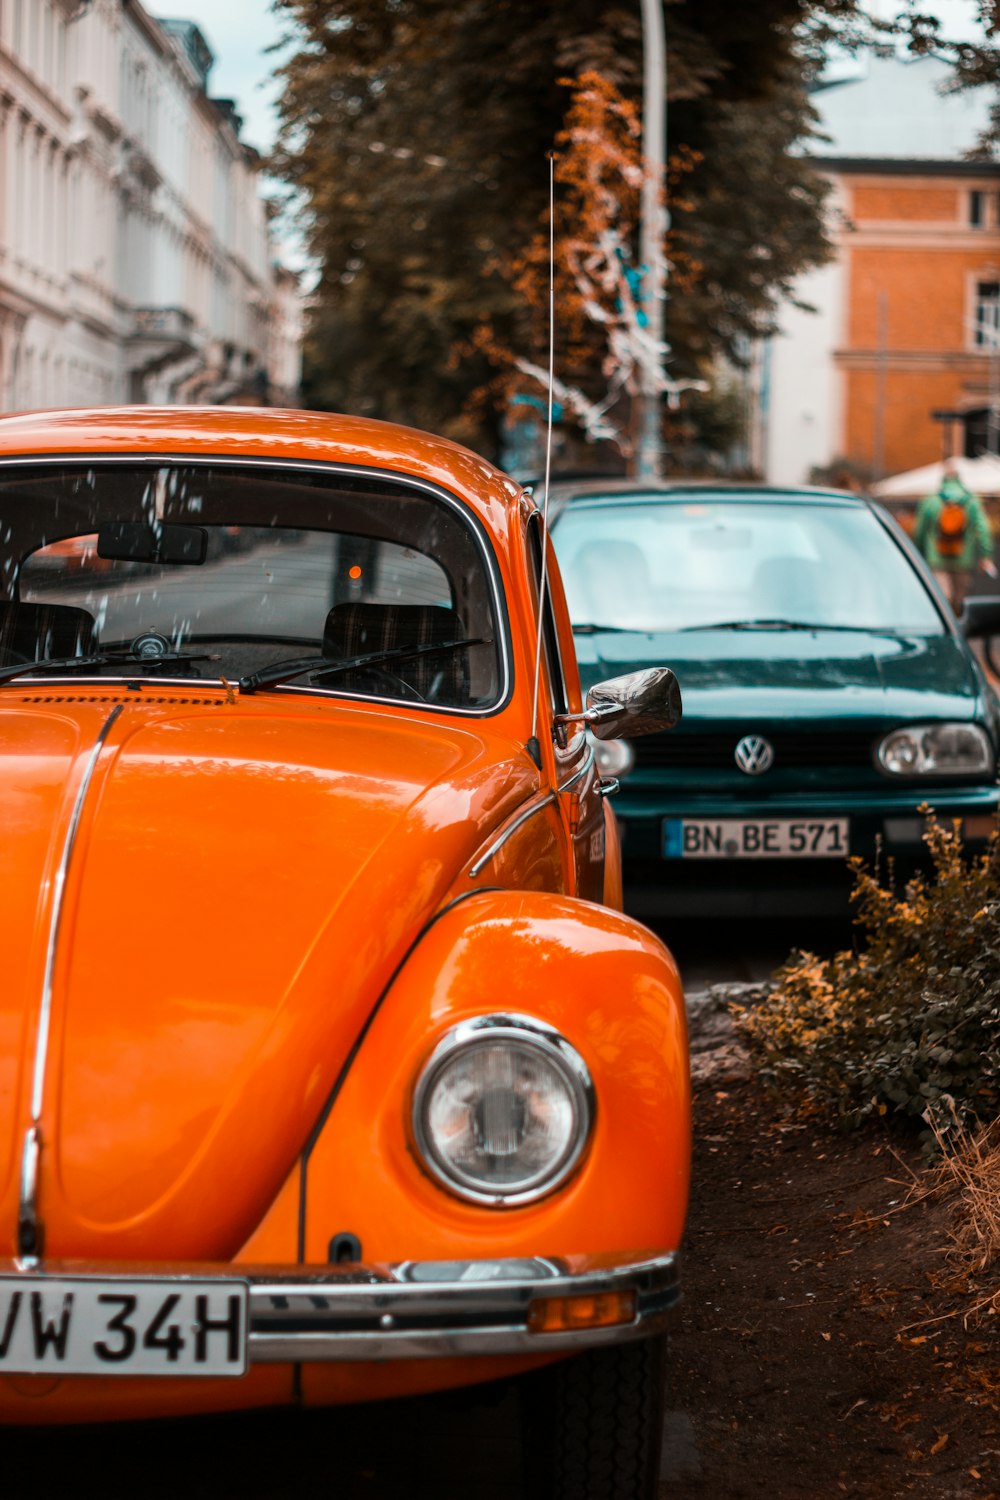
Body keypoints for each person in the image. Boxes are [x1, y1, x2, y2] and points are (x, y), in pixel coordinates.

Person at [913, 461, 997, 614]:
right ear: (960, 479)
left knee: (941, 600)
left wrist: (918, 554)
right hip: (963, 560)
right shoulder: (972, 501)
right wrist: (985, 555)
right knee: (960, 602)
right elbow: (984, 529)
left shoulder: (931, 501)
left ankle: (945, 631)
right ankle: (958, 630)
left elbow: (919, 531)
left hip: (935, 560)